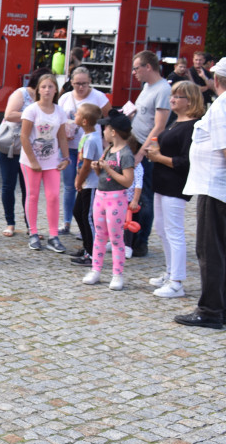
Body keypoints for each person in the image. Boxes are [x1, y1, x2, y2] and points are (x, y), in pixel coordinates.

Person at [175, 58, 226, 330]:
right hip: (217, 186)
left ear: (215, 81)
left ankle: (210, 310)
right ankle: (220, 306)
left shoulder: (221, 107)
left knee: (210, 250)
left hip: (215, 186)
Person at [148, 80, 203, 298]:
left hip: (175, 184)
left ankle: (177, 281)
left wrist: (159, 157)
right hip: (162, 182)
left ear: (189, 100)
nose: (172, 99)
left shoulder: (192, 126)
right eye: (172, 95)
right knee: (162, 230)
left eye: (177, 96)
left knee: (174, 232)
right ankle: (170, 272)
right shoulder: (175, 121)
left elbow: (185, 161)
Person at [83, 112, 134, 290]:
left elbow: (128, 181)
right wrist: (97, 168)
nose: (103, 131)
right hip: (100, 196)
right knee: (99, 235)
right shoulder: (108, 149)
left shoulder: (126, 154)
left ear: (113, 132)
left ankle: (117, 274)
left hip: (116, 199)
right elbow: (102, 175)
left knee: (116, 238)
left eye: (105, 128)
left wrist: (108, 170)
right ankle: (96, 269)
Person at [20, 73, 71, 253]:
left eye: (50, 87)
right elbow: (24, 136)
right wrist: (33, 161)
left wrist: (65, 158)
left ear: (56, 89)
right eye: (43, 87)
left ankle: (53, 236)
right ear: (38, 90)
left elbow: (62, 137)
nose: (47, 90)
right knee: (32, 195)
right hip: (31, 161)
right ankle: (33, 232)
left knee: (53, 196)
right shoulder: (31, 110)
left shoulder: (59, 111)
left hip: (52, 161)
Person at [57, 67, 111, 235]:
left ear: (90, 83)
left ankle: (85, 225)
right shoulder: (65, 98)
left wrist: (106, 139)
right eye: (77, 84)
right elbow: (58, 120)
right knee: (69, 186)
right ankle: (67, 222)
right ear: (71, 83)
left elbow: (110, 117)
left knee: (86, 186)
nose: (81, 87)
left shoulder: (99, 97)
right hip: (68, 147)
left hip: (90, 148)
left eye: (85, 84)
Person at [128, 50, 172, 258]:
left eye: (137, 68)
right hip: (135, 142)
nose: (134, 72)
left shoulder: (163, 90)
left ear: (148, 67)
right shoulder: (146, 87)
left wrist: (141, 153)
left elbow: (159, 126)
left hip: (147, 151)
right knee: (134, 192)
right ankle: (131, 235)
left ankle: (141, 241)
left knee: (144, 195)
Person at [71, 104, 103, 266]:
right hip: (85, 183)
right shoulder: (86, 136)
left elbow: (86, 164)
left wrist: (78, 180)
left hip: (91, 184)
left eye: (77, 114)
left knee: (88, 217)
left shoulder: (91, 140)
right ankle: (86, 247)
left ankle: (92, 254)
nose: (74, 115)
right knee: (78, 212)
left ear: (84, 121)